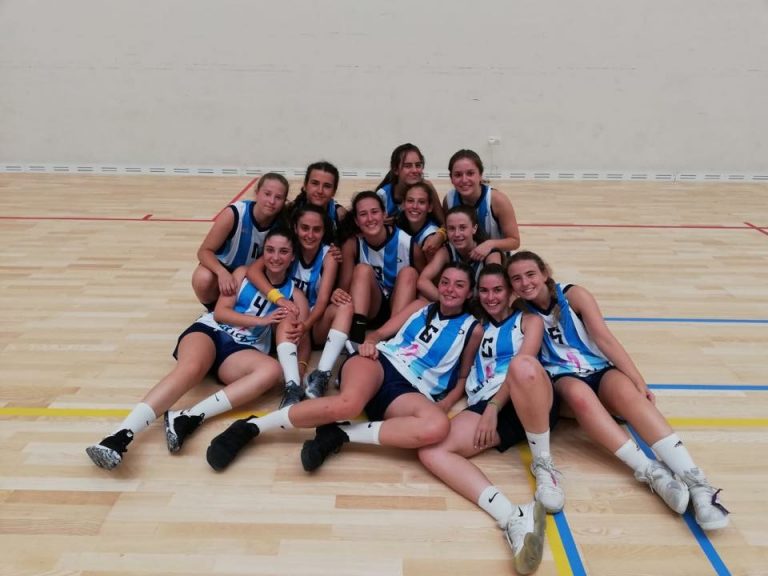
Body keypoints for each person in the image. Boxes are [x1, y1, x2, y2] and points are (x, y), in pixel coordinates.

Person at [507, 251, 730, 530]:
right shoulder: (520, 310)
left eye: (530, 274)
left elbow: (605, 339)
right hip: (563, 377)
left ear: (544, 273)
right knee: (580, 397)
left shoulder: (574, 295)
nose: (525, 282)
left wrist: (638, 380)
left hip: (599, 368)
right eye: (516, 278)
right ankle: (651, 471)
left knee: (628, 394)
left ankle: (699, 485)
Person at [204, 262, 483, 476]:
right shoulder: (420, 305)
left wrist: (446, 403)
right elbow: (379, 334)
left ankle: (341, 434)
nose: (449, 289)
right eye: (445, 282)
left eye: (459, 285)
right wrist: (369, 342)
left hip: (411, 390)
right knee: (349, 404)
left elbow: (462, 375)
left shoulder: (474, 329)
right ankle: (251, 426)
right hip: (380, 363)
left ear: (469, 292)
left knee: (437, 426)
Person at [86, 228, 308, 470]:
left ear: (292, 257)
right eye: (270, 250)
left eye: (283, 252)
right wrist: (262, 321)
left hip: (243, 349)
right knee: (190, 369)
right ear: (263, 252)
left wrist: (298, 369)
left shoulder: (295, 296)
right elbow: (221, 312)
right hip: (211, 331)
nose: (275, 257)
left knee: (271, 371)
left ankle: (188, 417)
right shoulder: (243, 273)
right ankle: (119, 436)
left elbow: (300, 335)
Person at [419, 264, 561, 574]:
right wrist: (449, 403)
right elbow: (463, 373)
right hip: (487, 405)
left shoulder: (528, 321)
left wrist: (494, 407)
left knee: (522, 366)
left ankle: (544, 465)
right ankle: (513, 516)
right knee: (432, 450)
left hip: (529, 397)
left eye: (498, 290)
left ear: (510, 292)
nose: (491, 297)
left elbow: (527, 362)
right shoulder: (477, 326)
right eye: (484, 291)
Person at [247, 204, 354, 399]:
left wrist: (305, 326)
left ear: (324, 231)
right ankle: (293, 380)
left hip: (313, 323)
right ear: (295, 228)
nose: (310, 235)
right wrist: (277, 298)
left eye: (317, 229)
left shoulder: (328, 256)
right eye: (305, 228)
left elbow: (322, 302)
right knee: (289, 315)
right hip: (287, 320)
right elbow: (253, 271)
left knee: (345, 306)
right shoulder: (285, 248)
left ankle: (321, 374)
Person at [338, 191, 426, 347]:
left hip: (399, 310)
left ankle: (392, 339)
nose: (370, 218)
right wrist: (337, 293)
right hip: (370, 308)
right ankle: (356, 338)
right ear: (356, 221)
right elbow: (344, 288)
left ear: (384, 214)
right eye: (363, 214)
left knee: (409, 273)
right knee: (362, 270)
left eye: (374, 212)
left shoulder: (407, 244)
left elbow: (424, 283)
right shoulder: (353, 244)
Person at [192, 172, 289, 309]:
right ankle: (214, 310)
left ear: (284, 201)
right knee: (203, 278)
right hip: (225, 268)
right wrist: (221, 272)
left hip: (253, 273)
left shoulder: (283, 225)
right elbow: (204, 252)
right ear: (257, 193)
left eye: (278, 197)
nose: (271, 201)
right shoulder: (235, 213)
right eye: (267, 194)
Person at [442, 149, 520, 259]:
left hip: (496, 261)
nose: (464, 180)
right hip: (463, 261)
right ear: (451, 178)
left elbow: (515, 241)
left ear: (480, 175)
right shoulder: (449, 199)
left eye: (470, 173)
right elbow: (446, 229)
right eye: (458, 175)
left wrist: (490, 244)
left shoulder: (497, 200)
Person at [418, 205, 504, 302]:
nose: (457, 234)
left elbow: (497, 288)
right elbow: (422, 281)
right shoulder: (447, 251)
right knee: (421, 299)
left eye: (462, 228)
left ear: (474, 228)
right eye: (451, 228)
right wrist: (446, 302)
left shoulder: (490, 254)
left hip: (484, 305)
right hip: (457, 305)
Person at [375, 143, 445, 226]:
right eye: (408, 166)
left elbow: (443, 223)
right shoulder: (383, 195)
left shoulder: (427, 187)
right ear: (396, 170)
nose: (415, 170)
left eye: (418, 165)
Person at [288, 160, 347, 244]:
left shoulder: (341, 216)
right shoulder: (289, 212)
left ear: (334, 191)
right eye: (315, 183)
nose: (320, 191)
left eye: (327, 186)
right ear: (305, 185)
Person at [393, 182, 442, 261]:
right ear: (403, 204)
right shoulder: (397, 223)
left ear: (430, 207)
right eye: (410, 201)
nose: (415, 206)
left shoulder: (431, 238)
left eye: (421, 202)